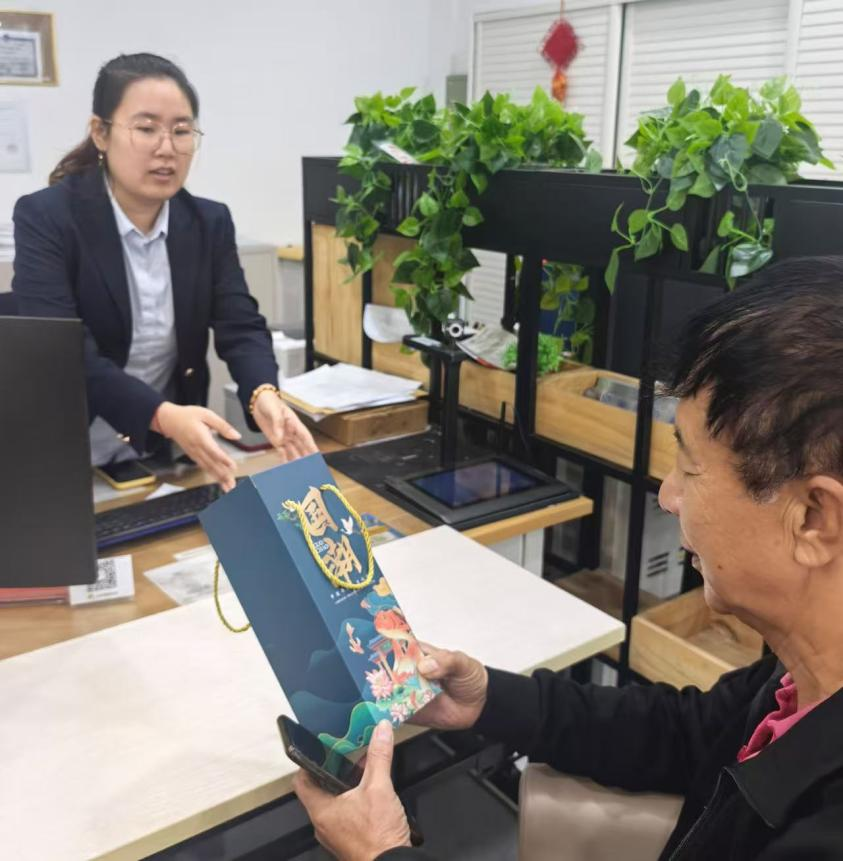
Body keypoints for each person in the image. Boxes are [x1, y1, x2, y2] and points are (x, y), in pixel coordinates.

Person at [294, 256, 843, 859]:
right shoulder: (796, 684)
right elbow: (687, 733)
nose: (667, 495)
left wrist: (380, 853)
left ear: (814, 518)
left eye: (690, 468)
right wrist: (488, 699)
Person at [12, 53, 317, 489]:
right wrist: (160, 414)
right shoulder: (48, 217)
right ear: (100, 132)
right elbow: (61, 352)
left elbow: (240, 325)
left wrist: (263, 393)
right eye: (146, 128)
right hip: (66, 450)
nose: (167, 148)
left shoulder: (208, 221)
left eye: (181, 130)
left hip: (161, 453)